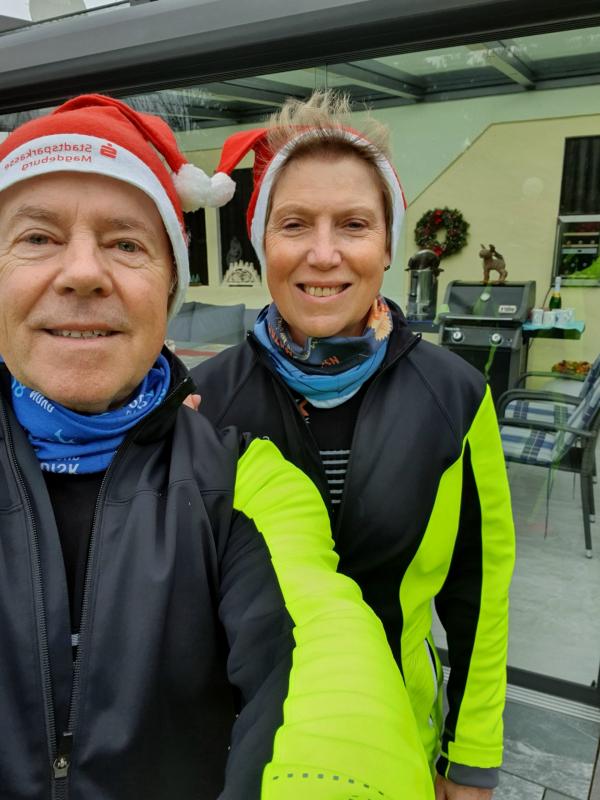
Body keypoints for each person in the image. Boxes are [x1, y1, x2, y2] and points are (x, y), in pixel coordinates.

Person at [0, 94, 434, 799]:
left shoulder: (241, 478)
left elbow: (322, 643)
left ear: (168, 285)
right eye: (38, 238)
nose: (82, 272)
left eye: (126, 243)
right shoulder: (218, 387)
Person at [192, 92, 516, 800]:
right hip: (234, 757)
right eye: (295, 224)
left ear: (388, 245)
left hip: (396, 748)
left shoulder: (456, 395)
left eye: (354, 224)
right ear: (263, 242)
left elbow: (479, 593)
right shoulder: (205, 402)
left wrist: (470, 757)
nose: (323, 253)